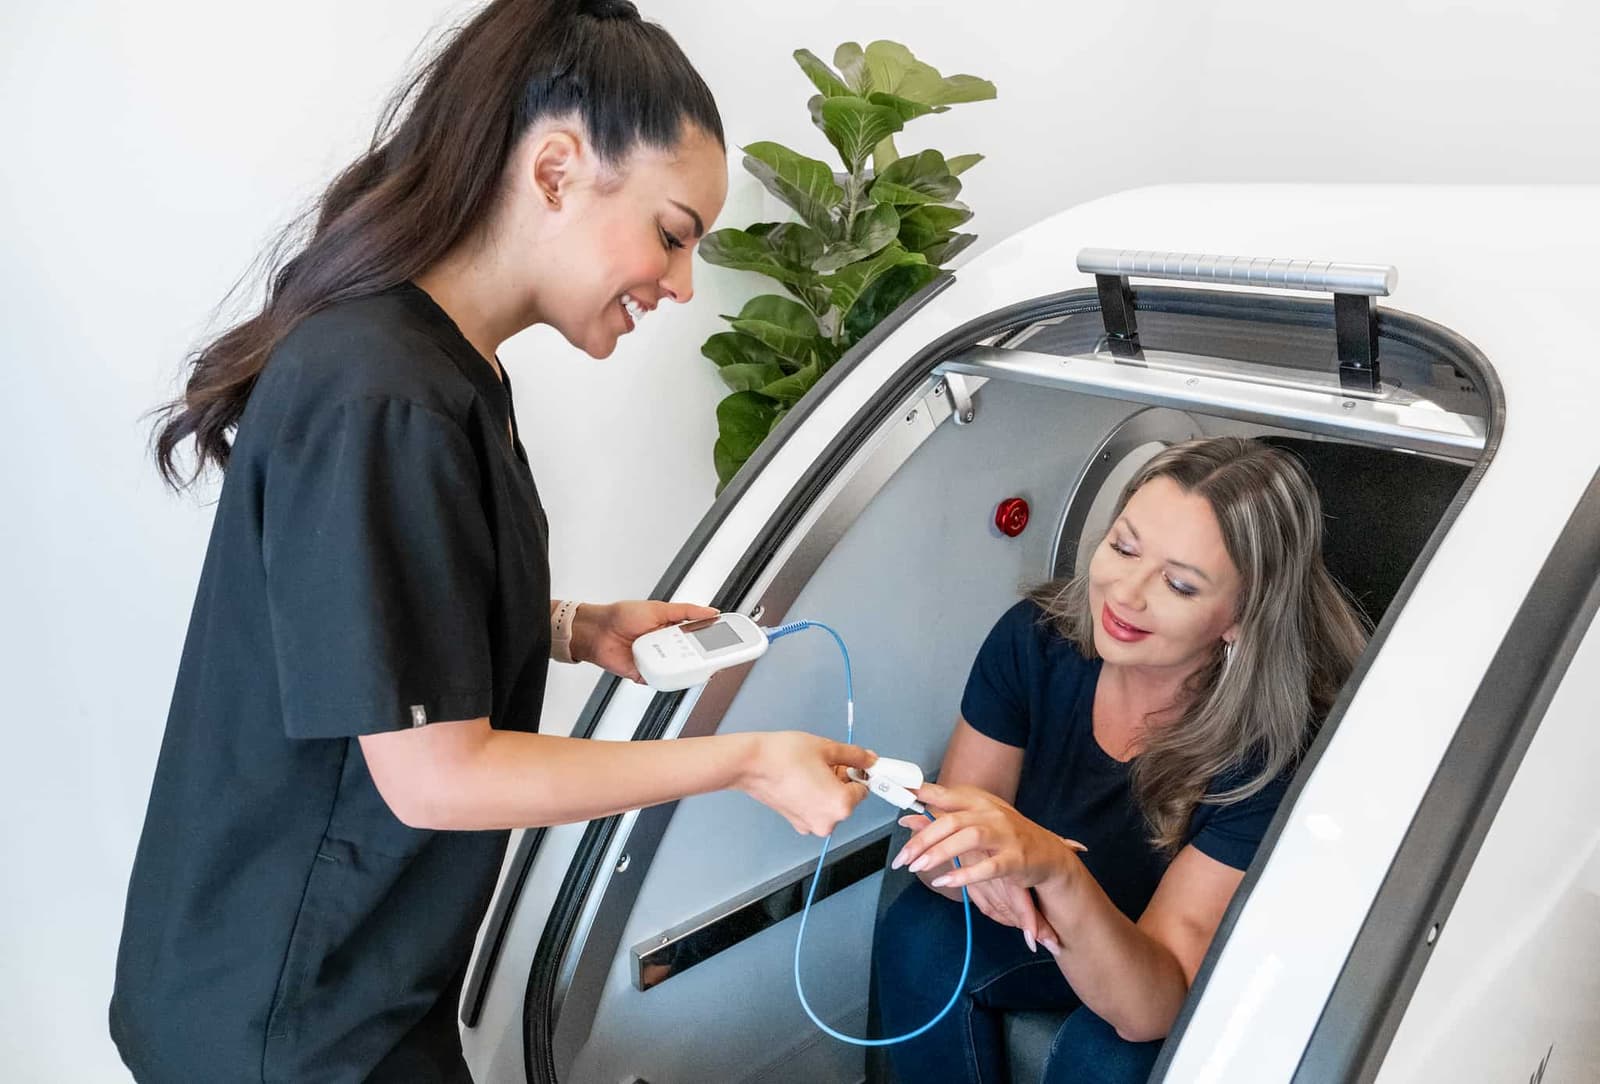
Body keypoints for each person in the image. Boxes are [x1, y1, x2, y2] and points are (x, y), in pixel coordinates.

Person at [110, 2, 874, 1081]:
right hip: (291, 1015)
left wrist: (572, 626)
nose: (683, 283)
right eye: (672, 232)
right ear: (557, 169)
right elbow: (436, 776)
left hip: (329, 981)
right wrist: (744, 759)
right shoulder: (385, 392)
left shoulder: (438, 370)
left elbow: (369, 611)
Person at [873, 437, 1368, 1083]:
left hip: (1164, 963)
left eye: (1180, 584)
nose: (1126, 594)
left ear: (1243, 617)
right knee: (919, 936)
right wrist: (972, 862)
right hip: (1049, 922)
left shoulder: (1272, 752)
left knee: (1110, 1057)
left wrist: (1053, 871)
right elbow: (950, 850)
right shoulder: (1035, 640)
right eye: (1124, 547)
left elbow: (1149, 1007)